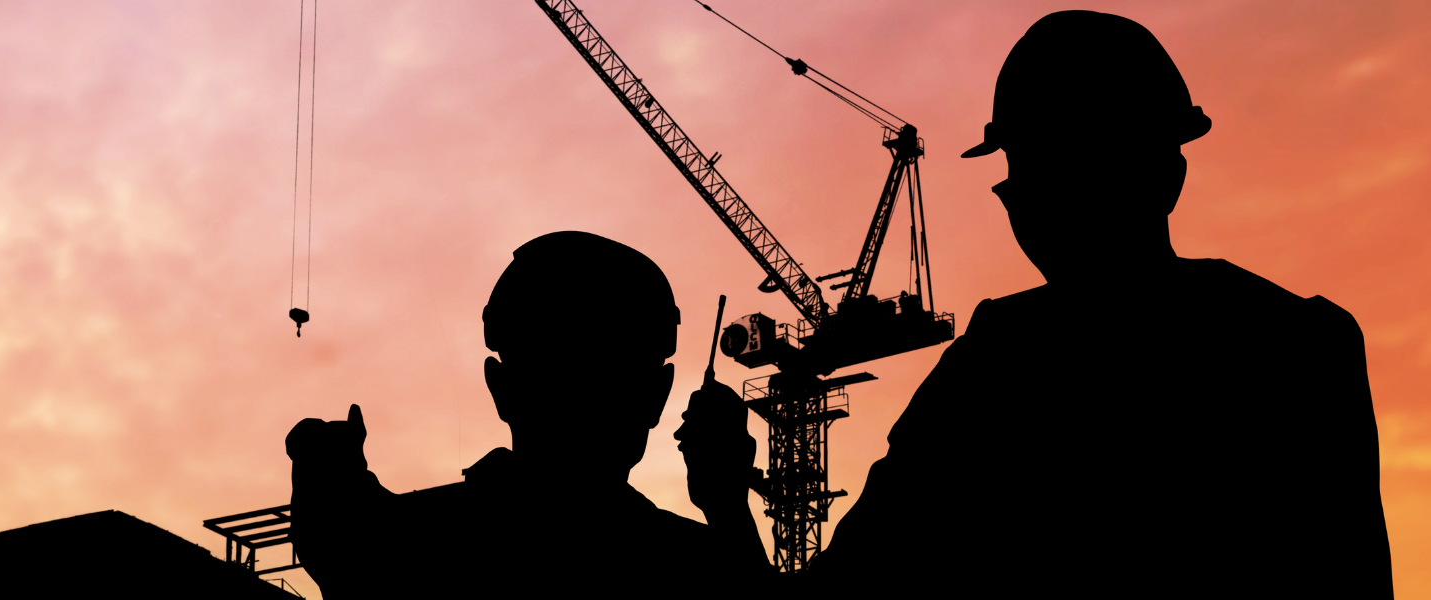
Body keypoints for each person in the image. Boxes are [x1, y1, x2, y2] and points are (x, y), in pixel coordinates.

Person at [678, 10, 1390, 596]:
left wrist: (724, 500)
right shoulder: (1307, 342)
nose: (1021, 198)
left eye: (1027, 171)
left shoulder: (1002, 366)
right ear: (1170, 170)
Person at [287, 231, 766, 598]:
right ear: (656, 399)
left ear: (501, 388)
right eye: (565, 369)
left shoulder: (411, 547)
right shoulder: (691, 571)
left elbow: (339, 540)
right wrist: (726, 507)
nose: (583, 392)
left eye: (602, 371)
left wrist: (328, 473)